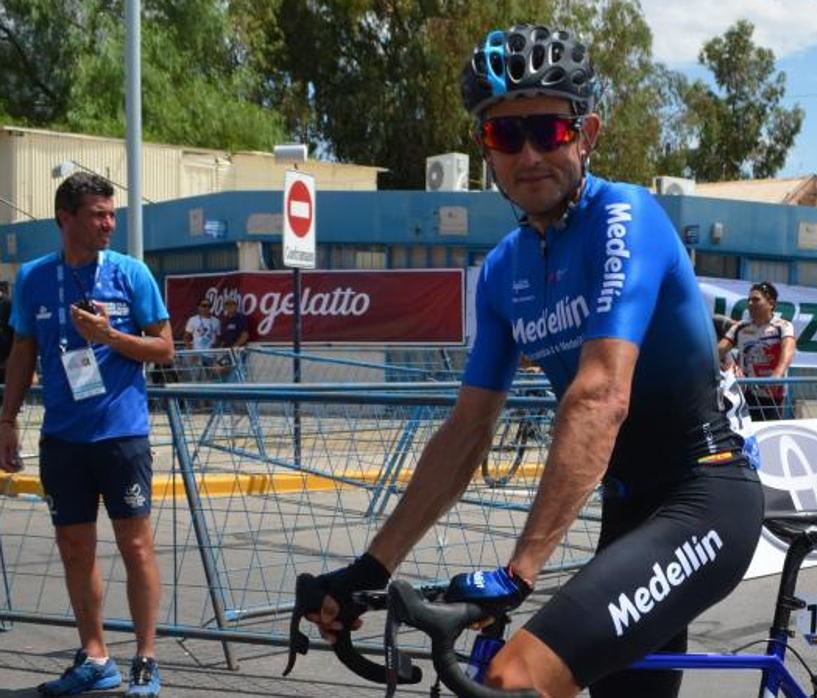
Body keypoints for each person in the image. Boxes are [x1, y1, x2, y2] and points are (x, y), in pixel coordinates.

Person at [305, 24, 763, 698]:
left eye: (546, 130)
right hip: (630, 513)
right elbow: (466, 434)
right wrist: (373, 566)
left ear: (588, 133)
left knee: (513, 678)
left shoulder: (625, 217)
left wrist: (519, 573)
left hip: (706, 498)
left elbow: (601, 394)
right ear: (485, 151)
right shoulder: (501, 273)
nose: (527, 155)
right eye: (503, 135)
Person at [0, 172, 174, 696]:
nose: (108, 223)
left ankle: (145, 657)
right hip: (63, 439)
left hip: (121, 435)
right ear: (65, 218)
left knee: (136, 546)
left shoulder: (131, 273)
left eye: (111, 214)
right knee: (75, 548)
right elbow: (22, 354)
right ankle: (96, 657)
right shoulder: (33, 277)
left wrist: (111, 336)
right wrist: (6, 420)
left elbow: (165, 349)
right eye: (98, 214)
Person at [719, 281, 796, 421]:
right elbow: (719, 351)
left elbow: (789, 349)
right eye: (749, 300)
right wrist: (728, 365)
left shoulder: (782, 326)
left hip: (772, 395)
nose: (750, 303)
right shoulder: (740, 327)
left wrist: (777, 374)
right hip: (744, 393)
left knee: (768, 436)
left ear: (771, 304)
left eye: (756, 299)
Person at [182, 298, 220, 381]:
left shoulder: (216, 321)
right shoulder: (193, 320)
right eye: (203, 306)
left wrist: (215, 348)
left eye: (208, 306)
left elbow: (218, 337)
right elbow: (186, 337)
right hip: (197, 353)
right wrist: (191, 352)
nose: (206, 308)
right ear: (199, 307)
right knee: (195, 378)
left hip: (210, 355)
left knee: (209, 379)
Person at [214, 298, 252, 379]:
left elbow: (245, 335)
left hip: (238, 351)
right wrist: (216, 347)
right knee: (219, 368)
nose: (230, 307)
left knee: (238, 372)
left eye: (232, 305)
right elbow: (221, 337)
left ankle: (237, 388)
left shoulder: (241, 318)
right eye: (227, 305)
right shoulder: (224, 319)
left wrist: (234, 347)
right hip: (226, 351)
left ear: (236, 306)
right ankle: (225, 388)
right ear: (224, 307)